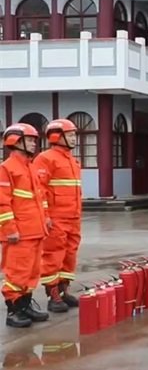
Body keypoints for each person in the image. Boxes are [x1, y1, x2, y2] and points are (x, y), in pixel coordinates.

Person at [1, 124, 51, 328]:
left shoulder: (30, 167)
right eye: (30, 140)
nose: (33, 143)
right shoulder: (7, 168)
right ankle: (13, 311)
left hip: (35, 230)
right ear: (16, 141)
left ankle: (25, 305)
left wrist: (46, 217)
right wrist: (9, 229)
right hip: (19, 233)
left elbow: (40, 198)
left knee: (32, 272)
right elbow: (2, 202)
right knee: (17, 271)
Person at [33, 119, 83, 313]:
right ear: (56, 137)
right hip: (56, 218)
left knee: (69, 255)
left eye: (73, 135)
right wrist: (45, 215)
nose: (74, 139)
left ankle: (64, 291)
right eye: (70, 135)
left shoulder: (72, 160)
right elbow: (40, 190)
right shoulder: (45, 159)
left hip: (73, 217)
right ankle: (52, 294)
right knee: (53, 256)